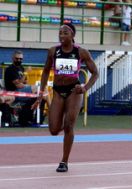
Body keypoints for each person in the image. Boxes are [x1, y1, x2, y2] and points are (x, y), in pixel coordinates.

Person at [32, 23, 99, 172]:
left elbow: (95, 73)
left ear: (73, 35)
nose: (62, 35)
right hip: (57, 91)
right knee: (54, 130)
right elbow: (45, 72)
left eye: (65, 33)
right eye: (60, 33)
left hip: (74, 91)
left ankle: (64, 161)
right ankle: (64, 120)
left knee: (69, 126)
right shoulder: (53, 51)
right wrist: (41, 93)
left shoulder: (81, 52)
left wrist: (84, 88)